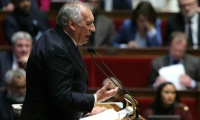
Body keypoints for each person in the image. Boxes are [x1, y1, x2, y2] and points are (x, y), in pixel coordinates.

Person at [20, 1, 118, 120]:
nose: (93, 29)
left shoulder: (52, 36)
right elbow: (62, 97)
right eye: (89, 23)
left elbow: (52, 93)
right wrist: (95, 98)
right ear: (72, 24)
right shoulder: (58, 49)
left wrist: (83, 110)